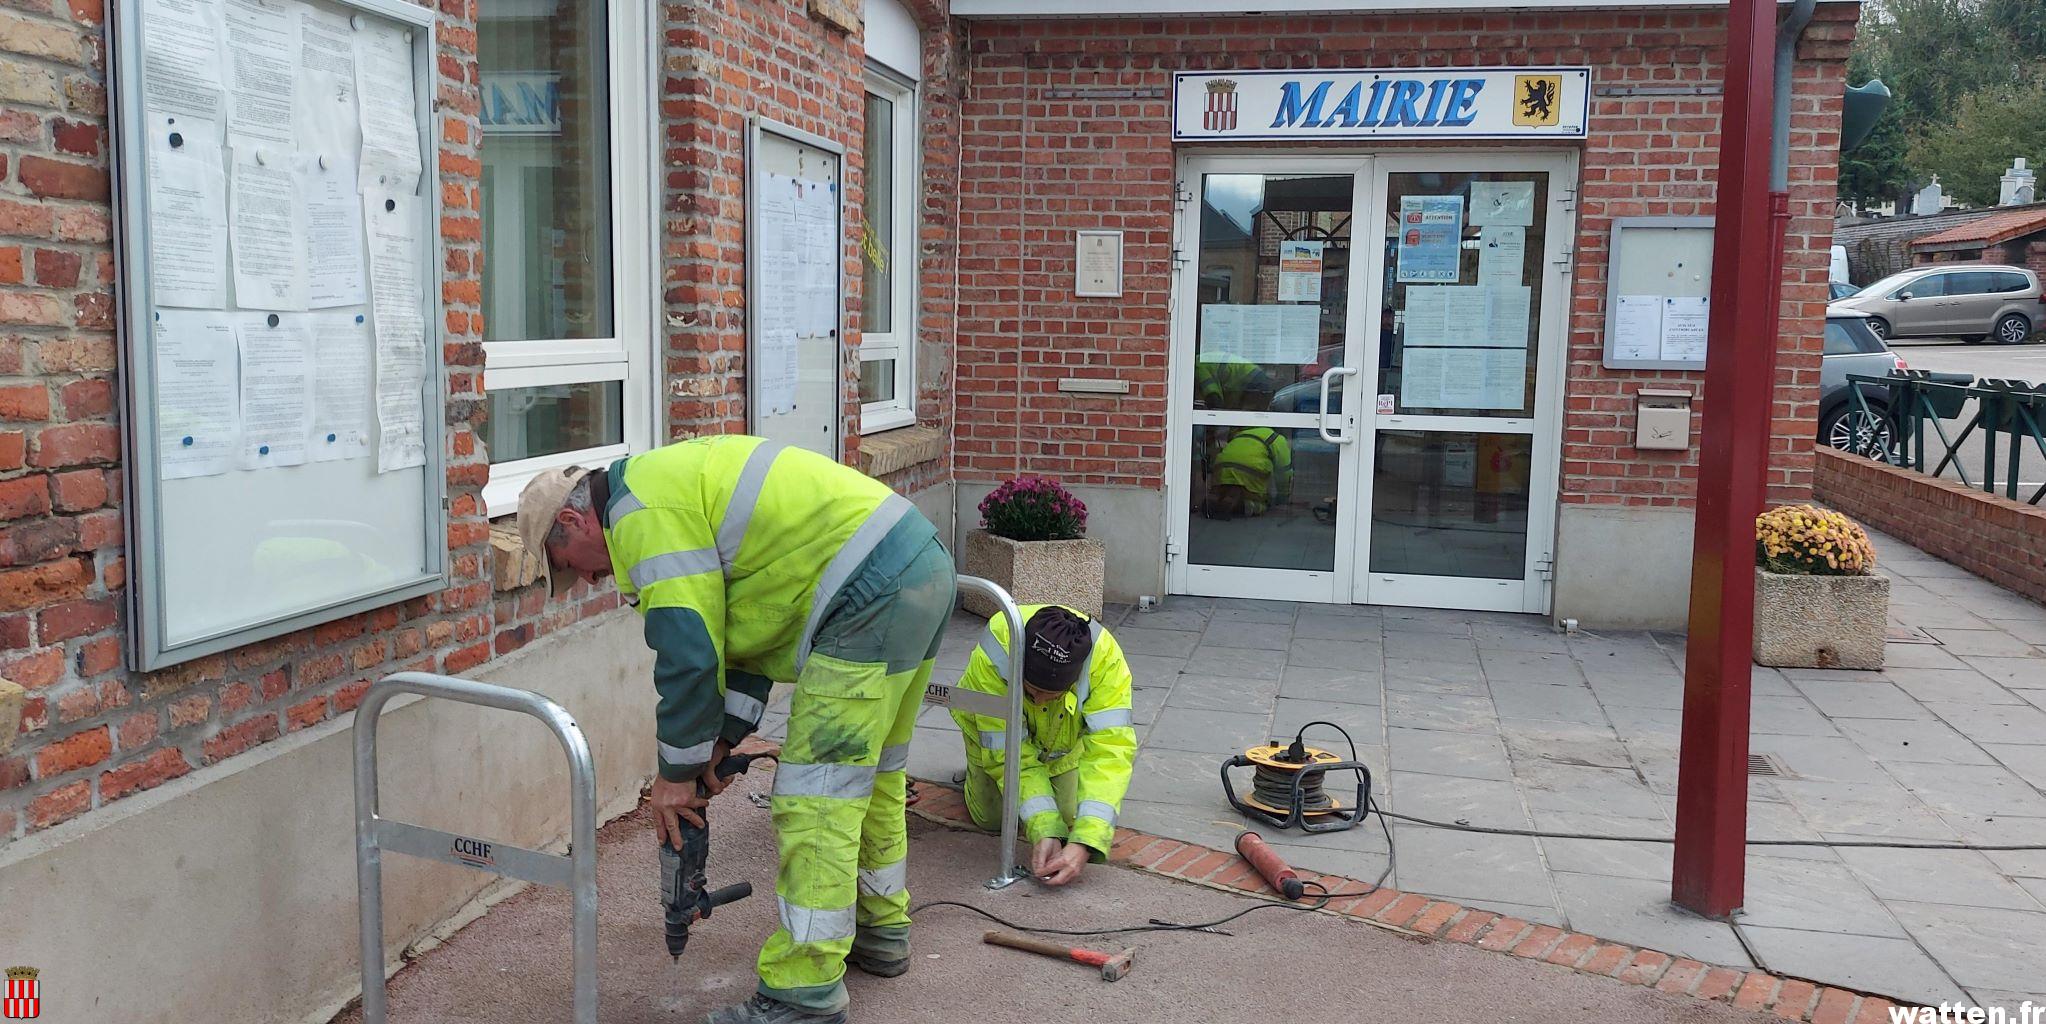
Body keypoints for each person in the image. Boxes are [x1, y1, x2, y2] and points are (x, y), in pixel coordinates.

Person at [519, 435, 954, 1024]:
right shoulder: (662, 486)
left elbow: (691, 654)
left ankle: (803, 994)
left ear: (575, 521)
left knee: (815, 798)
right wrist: (721, 743)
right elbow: (747, 635)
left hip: (868, 592)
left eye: (573, 567)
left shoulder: (641, 518)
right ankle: (879, 928)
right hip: (916, 567)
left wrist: (675, 777)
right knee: (870, 777)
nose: (591, 582)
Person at [949, 605, 1138, 885]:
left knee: (1067, 818)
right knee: (991, 819)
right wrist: (1044, 828)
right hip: (993, 740)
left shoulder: (1106, 663)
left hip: (1062, 746)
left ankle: (1049, 781)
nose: (1037, 701)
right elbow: (1006, 753)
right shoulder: (999, 647)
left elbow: (1110, 752)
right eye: (1030, 690)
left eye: (1049, 695)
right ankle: (974, 774)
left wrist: (1086, 842)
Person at [1204, 425, 1293, 519]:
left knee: (1227, 487)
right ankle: (1244, 505)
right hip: (1250, 476)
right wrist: (1283, 495)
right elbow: (1284, 472)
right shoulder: (1276, 438)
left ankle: (1218, 498)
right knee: (1262, 504)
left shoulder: (1240, 434)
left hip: (1221, 469)